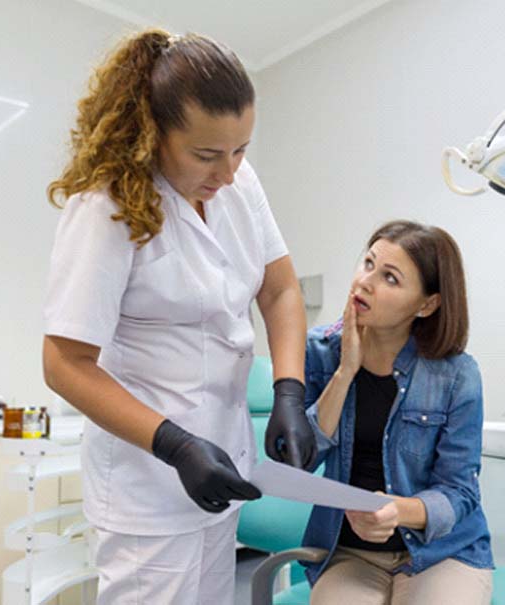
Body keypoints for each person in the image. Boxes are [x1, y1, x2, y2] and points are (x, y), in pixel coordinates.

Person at [42, 29, 316, 605]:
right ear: (154, 132)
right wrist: (174, 446)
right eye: (207, 155)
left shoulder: (238, 183)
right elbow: (65, 363)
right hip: (149, 489)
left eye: (241, 149)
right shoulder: (108, 205)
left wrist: (289, 389)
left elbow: (281, 288)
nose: (228, 172)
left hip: (224, 470)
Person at [301, 220, 494, 605]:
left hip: (442, 553)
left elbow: (459, 492)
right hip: (352, 554)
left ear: (427, 304)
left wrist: (395, 512)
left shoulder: (457, 375)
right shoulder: (321, 351)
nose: (365, 282)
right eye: (368, 263)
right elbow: (301, 461)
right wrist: (345, 371)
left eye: (390, 278)